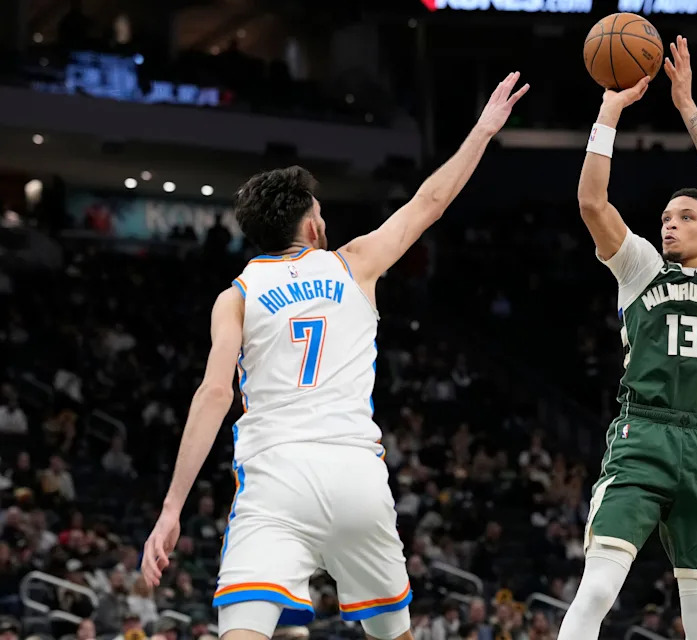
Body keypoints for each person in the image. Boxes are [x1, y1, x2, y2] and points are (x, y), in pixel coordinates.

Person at [140, 72, 530, 640]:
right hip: (355, 475)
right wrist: (483, 130)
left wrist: (172, 508)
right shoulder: (354, 263)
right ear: (313, 224)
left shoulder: (236, 296)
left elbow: (216, 393)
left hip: (276, 478)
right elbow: (430, 201)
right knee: (392, 633)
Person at [557, 37, 697, 640]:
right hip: (642, 434)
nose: (670, 224)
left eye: (686, 217)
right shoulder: (642, 268)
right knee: (598, 587)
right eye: (666, 217)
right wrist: (609, 110)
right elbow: (591, 202)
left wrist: (687, 107)